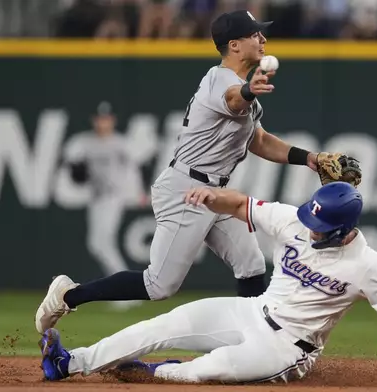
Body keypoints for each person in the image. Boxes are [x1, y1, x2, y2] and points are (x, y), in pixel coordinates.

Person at [35, 9, 337, 334]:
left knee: (250, 263)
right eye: (254, 34)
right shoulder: (219, 79)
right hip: (186, 190)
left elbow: (259, 141)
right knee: (158, 285)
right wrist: (249, 90)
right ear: (234, 45)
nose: (262, 38)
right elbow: (233, 100)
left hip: (214, 193)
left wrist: (311, 159)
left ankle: (259, 342)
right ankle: (69, 296)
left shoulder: (239, 86)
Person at [37, 181, 377, 387]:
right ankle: (68, 363)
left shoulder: (367, 264)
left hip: (288, 347)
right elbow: (243, 203)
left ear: (345, 229)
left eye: (321, 227)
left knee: (210, 370)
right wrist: (213, 197)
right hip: (251, 311)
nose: (311, 230)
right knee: (163, 324)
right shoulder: (293, 220)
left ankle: (152, 374)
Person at [63, 101, 147, 311]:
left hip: (113, 198)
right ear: (94, 120)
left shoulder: (121, 144)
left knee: (101, 243)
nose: (103, 122)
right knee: (98, 244)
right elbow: (74, 170)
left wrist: (138, 193)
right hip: (97, 198)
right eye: (100, 118)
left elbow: (135, 170)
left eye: (107, 118)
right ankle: (126, 290)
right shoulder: (85, 143)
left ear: (113, 120)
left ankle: (126, 291)